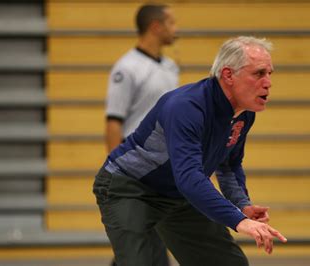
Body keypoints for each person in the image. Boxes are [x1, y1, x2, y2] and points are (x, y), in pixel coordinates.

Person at [94, 36, 287, 266]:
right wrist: (239, 221)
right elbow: (189, 177)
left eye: (269, 74)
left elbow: (229, 165)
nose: (268, 82)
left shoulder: (244, 114)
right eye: (259, 73)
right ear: (228, 75)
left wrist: (242, 205)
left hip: (178, 193)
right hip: (130, 187)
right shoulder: (186, 107)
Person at [104, 4, 178, 266]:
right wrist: (117, 172)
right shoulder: (127, 68)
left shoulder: (170, 67)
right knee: (141, 237)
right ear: (155, 26)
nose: (176, 29)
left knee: (145, 237)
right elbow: (114, 121)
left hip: (162, 166)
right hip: (135, 165)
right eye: (171, 22)